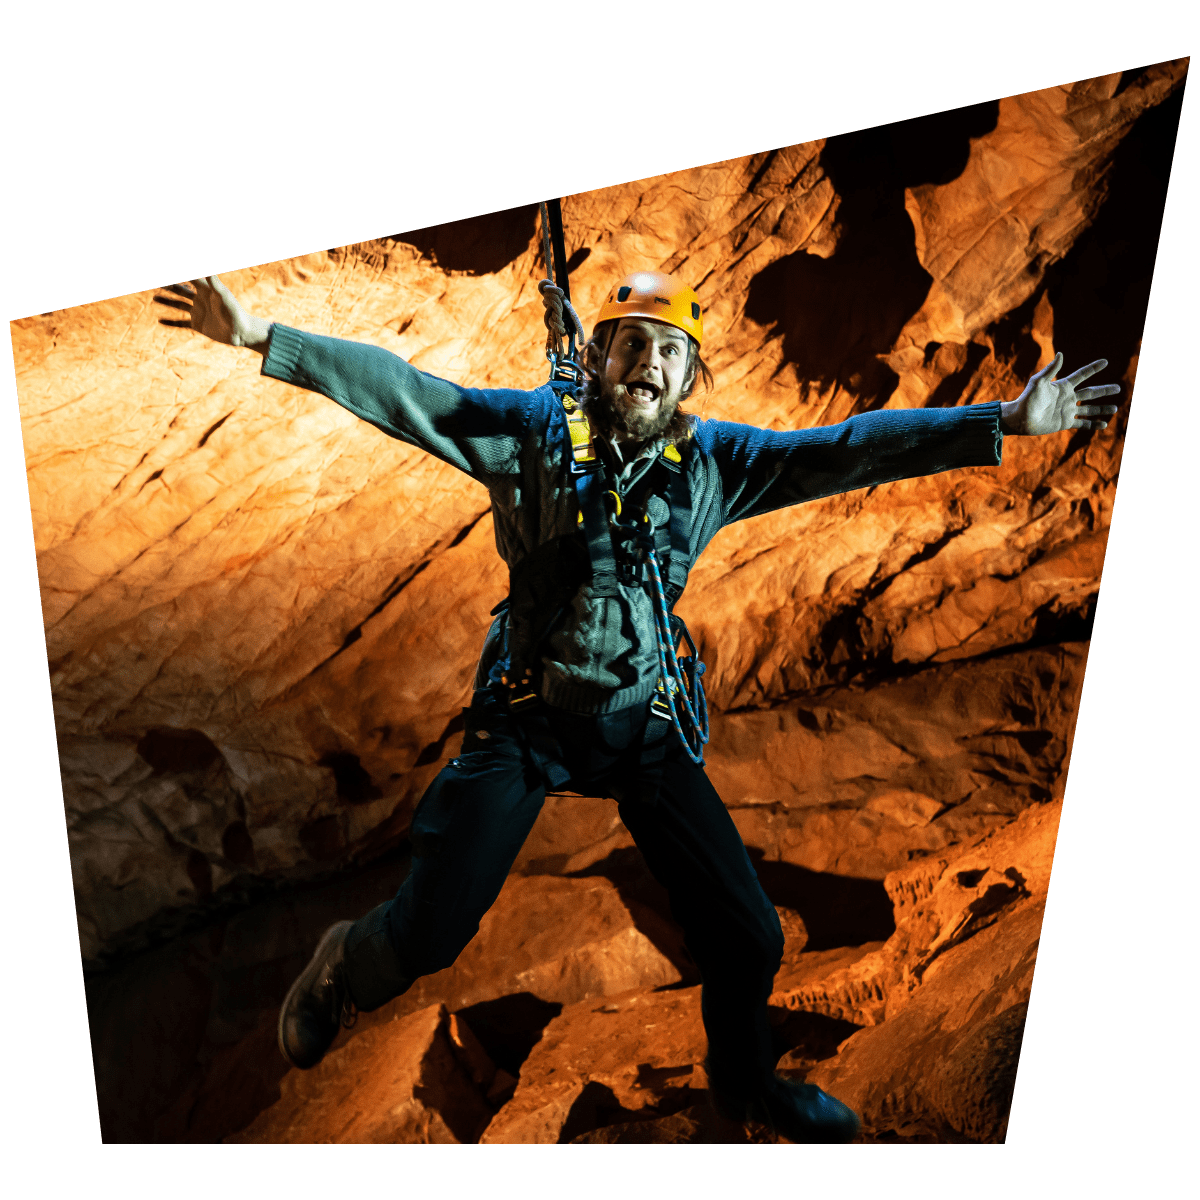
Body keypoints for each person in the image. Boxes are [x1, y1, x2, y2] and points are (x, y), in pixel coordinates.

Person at [158, 266, 1119, 1143]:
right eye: (630, 345)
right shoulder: (531, 437)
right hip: (529, 725)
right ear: (597, 358)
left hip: (644, 731)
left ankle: (746, 1089)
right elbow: (411, 396)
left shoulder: (712, 463)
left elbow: (845, 449)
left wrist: (999, 421)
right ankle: (344, 962)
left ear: (688, 377)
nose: (648, 364)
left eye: (669, 351)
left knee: (748, 933)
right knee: (432, 932)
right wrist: (263, 339)